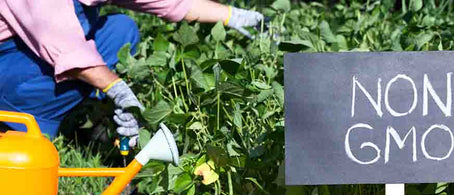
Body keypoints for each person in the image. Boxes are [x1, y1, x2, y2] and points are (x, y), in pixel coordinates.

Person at [0, 0, 263, 146]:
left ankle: (84, 119)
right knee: (92, 64)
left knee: (120, 31)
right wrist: (119, 91)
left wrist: (233, 15)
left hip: (40, 53)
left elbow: (173, 3)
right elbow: (67, 50)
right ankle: (19, 129)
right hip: (8, 65)